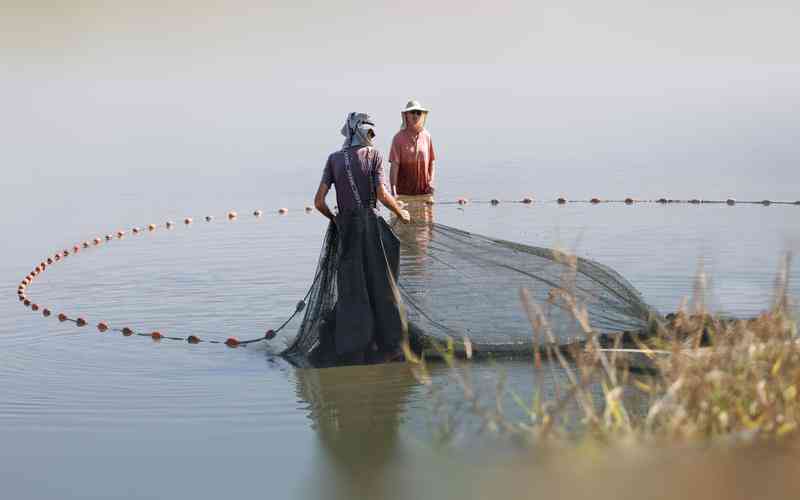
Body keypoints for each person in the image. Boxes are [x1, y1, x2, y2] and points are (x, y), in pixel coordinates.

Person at [313, 112, 411, 365]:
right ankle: (391, 347)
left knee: (352, 290)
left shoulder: (333, 159)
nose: (372, 137)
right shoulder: (374, 156)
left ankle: (355, 350)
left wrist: (335, 220)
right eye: (369, 132)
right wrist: (402, 212)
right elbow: (381, 194)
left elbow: (319, 202)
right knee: (383, 287)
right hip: (372, 230)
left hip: (347, 232)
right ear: (361, 131)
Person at [389, 99, 437, 199]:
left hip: (424, 193)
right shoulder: (398, 138)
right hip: (403, 194)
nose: (415, 115)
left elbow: (431, 162)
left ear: (422, 115)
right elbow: (394, 166)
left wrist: (431, 182)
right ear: (406, 115)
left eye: (418, 113)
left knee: (427, 215)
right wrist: (393, 192)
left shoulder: (426, 136)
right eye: (412, 112)